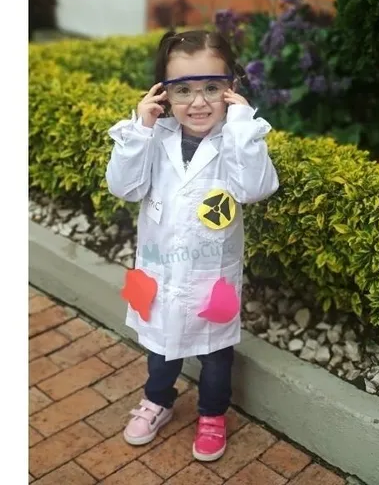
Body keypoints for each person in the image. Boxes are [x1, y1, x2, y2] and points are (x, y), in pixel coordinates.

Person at [105, 29, 279, 462]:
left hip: (211, 276)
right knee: (159, 346)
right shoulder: (151, 137)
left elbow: (255, 188)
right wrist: (139, 130)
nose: (198, 102)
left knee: (216, 352)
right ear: (162, 93)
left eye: (211, 88)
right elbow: (123, 187)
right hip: (159, 270)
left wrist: (241, 127)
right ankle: (157, 401)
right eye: (182, 90)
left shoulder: (237, 140)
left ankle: (212, 413)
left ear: (231, 90)